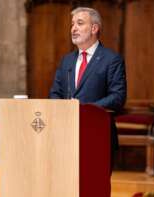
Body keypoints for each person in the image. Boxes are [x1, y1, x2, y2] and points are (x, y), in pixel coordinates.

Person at [49, 7, 127, 151]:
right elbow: (55, 92)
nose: (73, 29)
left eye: (79, 23)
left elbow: (117, 97)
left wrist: (85, 110)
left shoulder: (111, 59)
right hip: (66, 135)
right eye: (72, 24)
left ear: (94, 28)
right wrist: (63, 110)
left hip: (98, 134)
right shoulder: (66, 61)